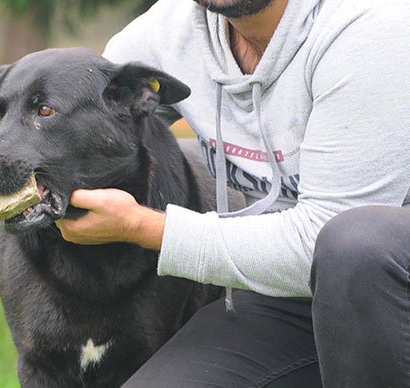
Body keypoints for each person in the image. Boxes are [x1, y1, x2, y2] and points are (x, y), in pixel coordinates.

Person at [54, 0, 410, 386]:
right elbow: (85, 128)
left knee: (355, 242)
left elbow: (319, 241)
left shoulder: (371, 25)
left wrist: (145, 228)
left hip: (386, 285)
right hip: (288, 297)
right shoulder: (170, 31)